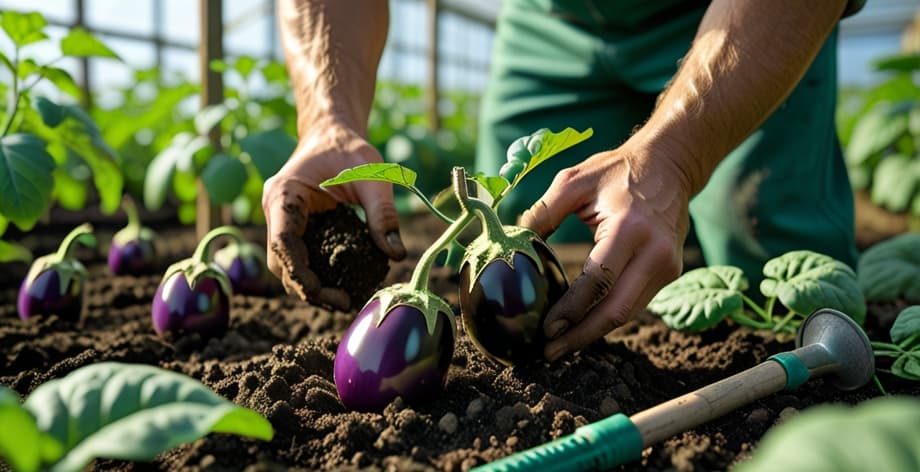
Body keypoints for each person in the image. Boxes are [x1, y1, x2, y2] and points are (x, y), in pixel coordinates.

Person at [263, 0, 863, 362]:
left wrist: (678, 157)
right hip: (557, 16)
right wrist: (329, 121)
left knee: (772, 266)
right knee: (528, 216)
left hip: (736, 20)